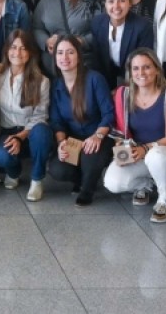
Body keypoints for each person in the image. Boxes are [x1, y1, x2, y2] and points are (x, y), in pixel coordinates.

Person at [103, 48, 166, 223]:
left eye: (147, 67)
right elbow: (120, 133)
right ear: (130, 72)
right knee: (112, 182)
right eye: (136, 68)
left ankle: (165, 200)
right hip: (138, 153)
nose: (141, 73)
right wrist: (122, 152)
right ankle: (146, 185)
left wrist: (146, 148)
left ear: (157, 69)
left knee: (155, 155)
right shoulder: (123, 94)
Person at [47, 35, 114, 206]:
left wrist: (97, 136)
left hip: (99, 135)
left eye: (70, 52)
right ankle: (82, 178)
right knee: (57, 169)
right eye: (60, 53)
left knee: (90, 155)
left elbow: (109, 113)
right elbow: (56, 120)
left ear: (79, 55)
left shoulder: (94, 79)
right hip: (74, 138)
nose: (65, 57)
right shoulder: (56, 85)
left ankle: (87, 189)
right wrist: (61, 142)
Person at [0, 30, 53, 202]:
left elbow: (40, 116)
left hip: (30, 132)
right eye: (13, 47)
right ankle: (14, 173)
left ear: (31, 52)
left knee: (42, 131)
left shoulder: (41, 81)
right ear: (6, 50)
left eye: (23, 48)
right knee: (1, 156)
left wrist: (20, 137)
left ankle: (37, 180)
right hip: (6, 130)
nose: (17, 53)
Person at [33, 0, 104, 76]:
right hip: (54, 71)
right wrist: (46, 41)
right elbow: (36, 28)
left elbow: (106, 29)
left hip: (86, 67)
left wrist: (82, 41)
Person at [90, 0, 156, 89]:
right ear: (105, 4)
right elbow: (97, 63)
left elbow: (143, 63)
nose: (116, 6)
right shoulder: (97, 23)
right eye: (111, 1)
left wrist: (123, 90)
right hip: (106, 81)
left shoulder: (142, 27)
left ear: (130, 3)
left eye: (122, 0)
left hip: (136, 81)